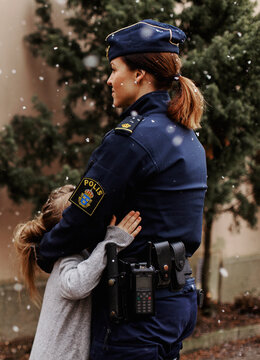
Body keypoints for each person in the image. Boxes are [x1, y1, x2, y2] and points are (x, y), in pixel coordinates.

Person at [35, 20, 208, 360]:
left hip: (136, 312)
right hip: (176, 302)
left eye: (115, 69)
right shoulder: (186, 136)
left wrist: (45, 251)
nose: (109, 80)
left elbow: (82, 217)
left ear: (139, 74)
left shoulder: (130, 141)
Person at [14, 184, 142, 360]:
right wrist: (112, 242)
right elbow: (76, 286)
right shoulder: (67, 256)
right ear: (70, 228)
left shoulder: (76, 253)